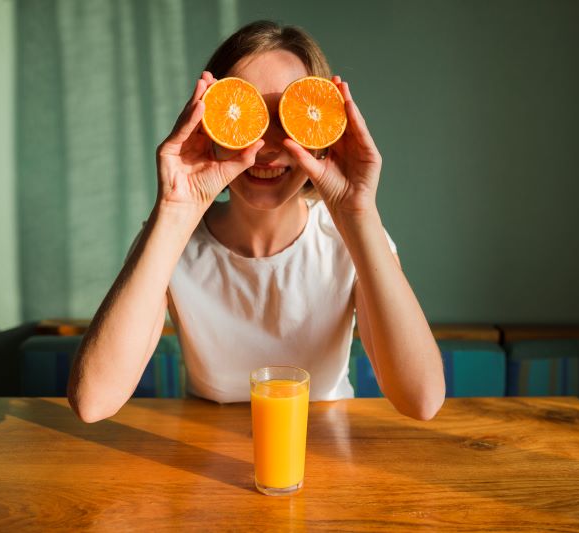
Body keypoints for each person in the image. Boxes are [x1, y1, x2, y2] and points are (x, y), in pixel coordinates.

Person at [67, 20, 445, 423]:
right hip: (202, 449)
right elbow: (93, 402)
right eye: (244, 116)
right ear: (209, 123)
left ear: (321, 130)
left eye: (289, 117)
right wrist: (175, 212)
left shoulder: (348, 239)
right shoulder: (170, 239)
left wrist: (358, 214)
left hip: (326, 448)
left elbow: (421, 399)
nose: (264, 148)